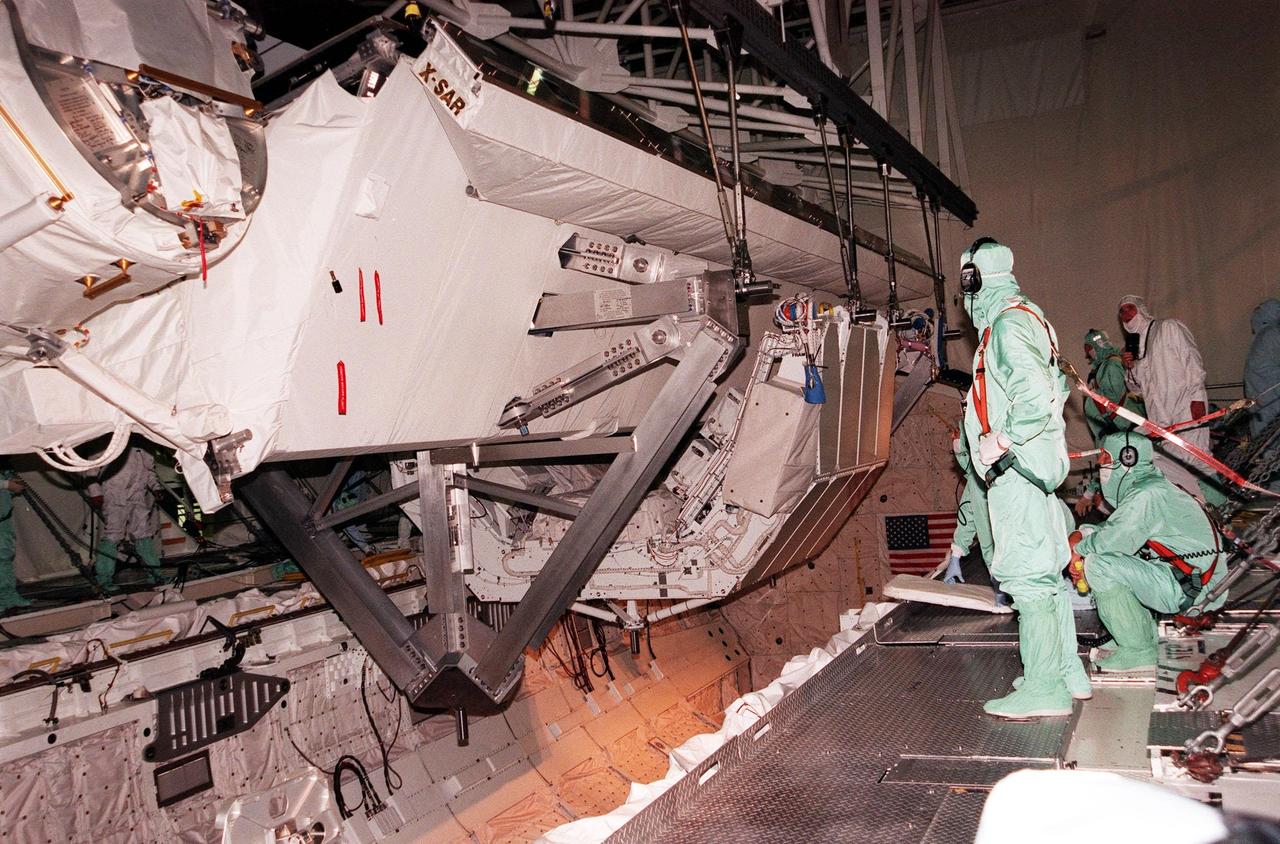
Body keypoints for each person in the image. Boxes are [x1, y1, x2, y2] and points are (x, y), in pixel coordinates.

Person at [959, 237, 1088, 718]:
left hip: (1018, 471)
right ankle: (1065, 672)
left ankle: (1043, 688)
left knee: (1028, 579)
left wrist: (999, 440)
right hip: (1039, 471)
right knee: (1049, 576)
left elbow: (1033, 396)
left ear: (973, 280)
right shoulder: (1028, 317)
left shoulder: (1008, 327)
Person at [1068, 432, 1229, 672]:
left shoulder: (1147, 493)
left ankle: (1138, 650)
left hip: (1191, 588)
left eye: (1106, 457)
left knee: (1099, 564)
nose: (1101, 464)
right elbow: (1119, 527)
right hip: (1189, 578)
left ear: (1128, 458)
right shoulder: (1151, 486)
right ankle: (1137, 634)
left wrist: (1079, 550)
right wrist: (1083, 533)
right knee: (1110, 557)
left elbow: (1114, 540)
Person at [1117, 295, 1212, 500]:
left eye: (1129, 308)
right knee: (1173, 466)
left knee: (1196, 459)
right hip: (1160, 417)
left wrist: (1197, 396)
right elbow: (1137, 390)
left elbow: (1192, 360)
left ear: (1141, 309)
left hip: (1185, 407)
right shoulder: (1134, 347)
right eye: (1121, 312)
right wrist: (1130, 367)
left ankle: (1219, 504)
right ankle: (1196, 509)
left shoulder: (1168, 328)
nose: (1125, 315)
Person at [1075, 328, 1144, 517]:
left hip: (1121, 434)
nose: (1087, 352)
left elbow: (1113, 398)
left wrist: (1089, 494)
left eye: (1089, 347)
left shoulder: (1112, 366)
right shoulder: (1101, 370)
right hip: (1114, 435)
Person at [90, 445, 164, 590]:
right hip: (114, 493)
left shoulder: (141, 443)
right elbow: (91, 467)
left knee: (143, 533)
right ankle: (103, 579)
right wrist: (95, 491)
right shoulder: (108, 439)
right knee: (113, 534)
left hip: (137, 493)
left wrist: (156, 487)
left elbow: (148, 469)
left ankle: (155, 574)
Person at [1244, 299, 1280, 463]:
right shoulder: (1271, 334)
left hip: (1262, 406)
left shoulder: (1264, 336)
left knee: (1268, 450)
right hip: (1271, 404)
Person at [0, 463, 31, 613]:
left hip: (2, 518)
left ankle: (8, 597)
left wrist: (10, 480)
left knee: (3, 556)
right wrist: (7, 484)